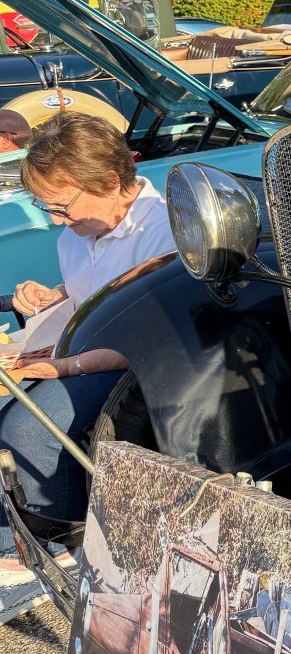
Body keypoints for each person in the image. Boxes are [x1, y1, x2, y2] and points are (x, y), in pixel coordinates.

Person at [0, 113, 175, 624]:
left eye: (61, 206)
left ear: (111, 182)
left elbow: (145, 342)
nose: (57, 220)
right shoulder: (78, 233)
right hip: (86, 349)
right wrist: (51, 299)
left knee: (29, 423)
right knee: (9, 399)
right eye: (46, 206)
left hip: (140, 365)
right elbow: (90, 295)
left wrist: (62, 366)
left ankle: (57, 535)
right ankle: (16, 525)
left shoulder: (162, 232)